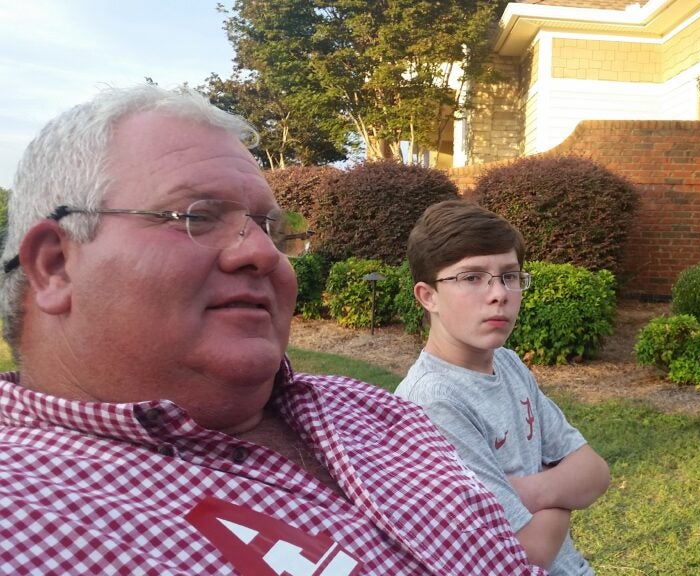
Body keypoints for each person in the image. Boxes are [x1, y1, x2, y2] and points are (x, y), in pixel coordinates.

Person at [0, 84, 544, 575]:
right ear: (55, 266)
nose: (263, 252)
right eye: (197, 215)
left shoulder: (381, 413)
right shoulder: (27, 516)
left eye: (269, 227)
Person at [396, 200, 611, 575]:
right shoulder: (434, 402)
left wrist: (530, 493)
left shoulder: (507, 363)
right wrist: (562, 490)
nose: (499, 294)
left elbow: (594, 473)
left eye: (510, 276)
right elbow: (528, 552)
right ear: (428, 296)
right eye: (471, 277)